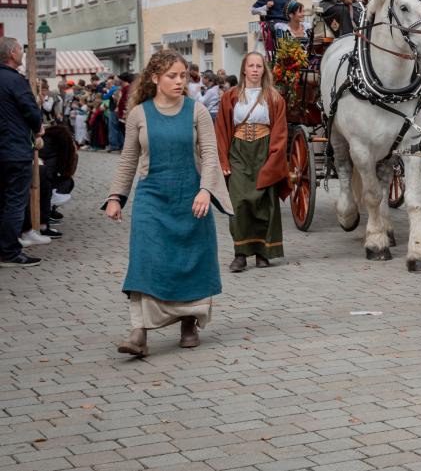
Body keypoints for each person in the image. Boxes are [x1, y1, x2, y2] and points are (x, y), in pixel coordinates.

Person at [103, 51, 233, 356]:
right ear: (155, 78)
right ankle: (139, 333)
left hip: (191, 196)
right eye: (172, 76)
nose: (179, 81)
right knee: (146, 259)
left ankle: (189, 321)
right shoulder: (139, 114)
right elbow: (128, 160)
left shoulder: (197, 111)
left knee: (191, 261)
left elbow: (211, 156)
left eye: (183, 76)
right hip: (151, 198)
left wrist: (205, 191)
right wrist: (114, 197)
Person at [215, 52, 290, 272]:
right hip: (238, 152)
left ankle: (262, 253)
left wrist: (274, 158)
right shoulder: (230, 96)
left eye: (259, 66)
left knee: (263, 203)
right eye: (252, 65)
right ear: (244, 70)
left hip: (264, 151)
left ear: (263, 71)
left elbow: (280, 131)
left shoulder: (275, 98)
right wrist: (223, 161)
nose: (255, 69)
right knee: (238, 202)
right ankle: (240, 254)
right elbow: (220, 129)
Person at [0, 37, 44, 267]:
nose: (22, 53)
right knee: (15, 201)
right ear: (12, 54)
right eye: (19, 49)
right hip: (15, 150)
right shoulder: (16, 81)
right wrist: (38, 127)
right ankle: (9, 251)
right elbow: (30, 110)